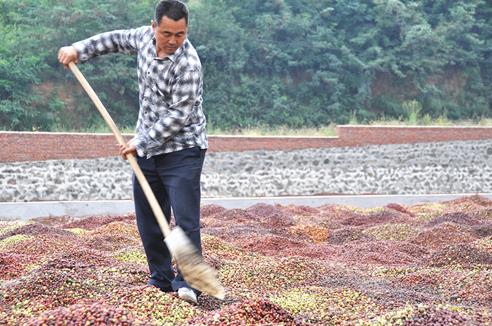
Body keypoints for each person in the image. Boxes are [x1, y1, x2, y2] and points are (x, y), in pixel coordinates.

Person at [58, 0, 207, 305]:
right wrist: (78, 49)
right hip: (147, 148)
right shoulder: (142, 38)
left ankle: (190, 283)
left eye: (180, 34)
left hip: (183, 149)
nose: (173, 41)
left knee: (185, 218)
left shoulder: (188, 64)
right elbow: (112, 40)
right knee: (150, 217)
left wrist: (141, 142)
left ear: (186, 30)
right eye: (167, 33)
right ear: (154, 27)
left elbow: (178, 116)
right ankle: (161, 278)